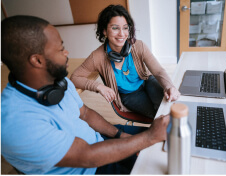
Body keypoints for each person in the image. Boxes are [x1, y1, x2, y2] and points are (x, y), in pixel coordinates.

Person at [1, 15, 169, 175]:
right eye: (60, 49)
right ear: (37, 61)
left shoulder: (58, 82)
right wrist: (149, 137)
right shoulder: (16, 121)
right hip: (89, 167)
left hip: (99, 143)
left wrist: (119, 135)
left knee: (163, 150)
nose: (67, 53)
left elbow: (85, 114)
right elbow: (86, 157)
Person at [70, 5, 180, 119]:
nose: (122, 34)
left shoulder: (138, 46)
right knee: (159, 116)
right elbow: (75, 77)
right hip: (129, 95)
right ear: (104, 31)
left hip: (146, 82)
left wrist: (169, 86)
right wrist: (98, 86)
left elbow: (158, 71)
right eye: (115, 28)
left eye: (125, 28)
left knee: (169, 105)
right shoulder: (97, 56)